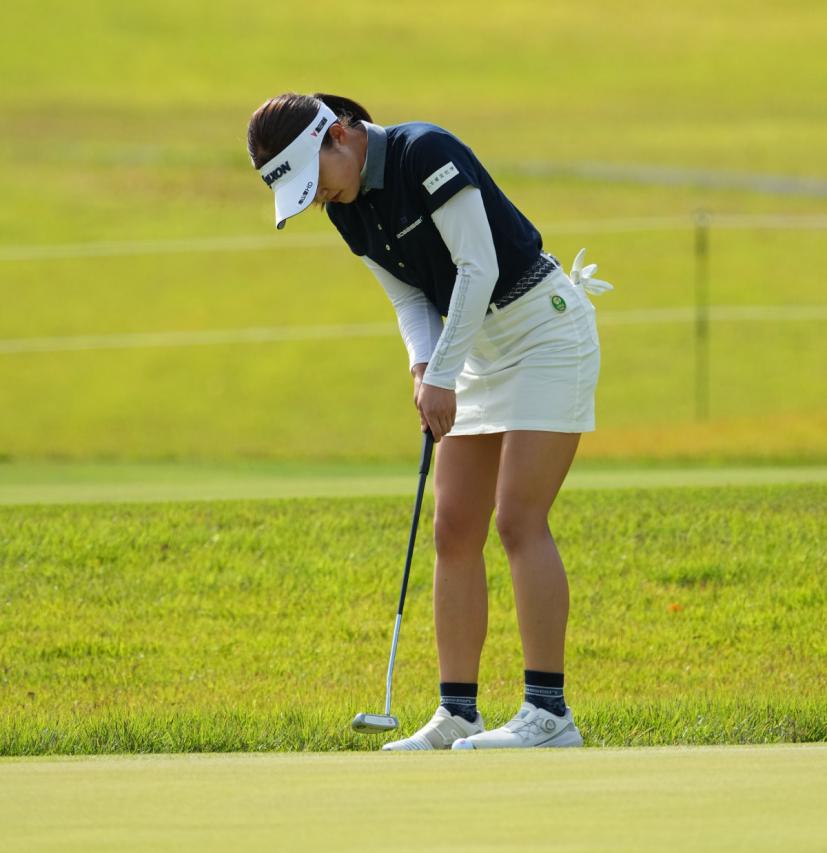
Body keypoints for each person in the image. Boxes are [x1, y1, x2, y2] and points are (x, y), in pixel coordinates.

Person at [247, 92, 613, 750]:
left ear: (339, 135)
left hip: (543, 332)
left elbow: (478, 267)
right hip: (471, 352)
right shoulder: (346, 208)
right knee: (453, 528)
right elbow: (410, 298)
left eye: (314, 179)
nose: (318, 197)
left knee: (517, 518)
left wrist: (442, 373)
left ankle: (548, 713)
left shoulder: (425, 152)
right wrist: (423, 367)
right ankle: (458, 712)